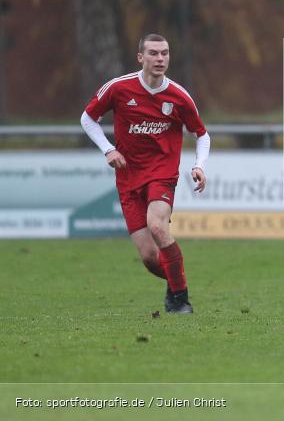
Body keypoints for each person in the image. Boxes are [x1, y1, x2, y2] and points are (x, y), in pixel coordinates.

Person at [80, 34, 209, 314]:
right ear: (141, 57)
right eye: (153, 53)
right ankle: (175, 284)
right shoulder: (119, 88)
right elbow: (88, 118)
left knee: (158, 226)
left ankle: (180, 301)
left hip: (162, 173)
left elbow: (201, 134)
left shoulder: (178, 96)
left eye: (164, 53)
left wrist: (199, 165)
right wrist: (108, 149)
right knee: (150, 258)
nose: (160, 59)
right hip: (128, 178)